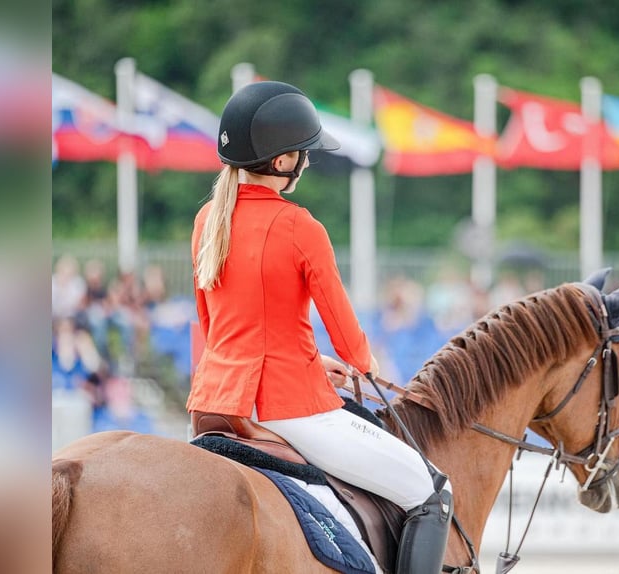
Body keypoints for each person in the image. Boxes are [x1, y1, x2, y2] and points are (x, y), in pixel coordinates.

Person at [187, 80, 452, 573]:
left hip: (212, 403)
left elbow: (214, 324)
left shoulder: (207, 220)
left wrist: (311, 359)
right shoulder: (300, 227)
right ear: (282, 162)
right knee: (433, 492)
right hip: (287, 408)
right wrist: (360, 366)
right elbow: (353, 346)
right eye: (302, 154)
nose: (306, 162)